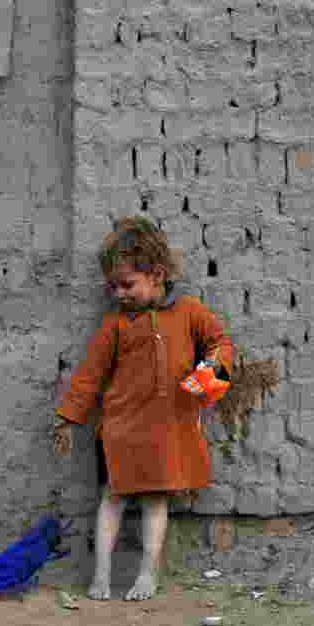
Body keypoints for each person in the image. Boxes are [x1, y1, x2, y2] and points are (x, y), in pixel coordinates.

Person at [51, 216, 233, 601]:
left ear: (158, 274)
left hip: (165, 429)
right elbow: (89, 375)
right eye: (112, 286)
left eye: (127, 284)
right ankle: (100, 576)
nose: (118, 293)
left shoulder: (189, 312)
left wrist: (213, 365)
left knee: (155, 500)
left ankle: (147, 575)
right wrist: (68, 417)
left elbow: (219, 342)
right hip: (120, 431)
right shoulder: (114, 325)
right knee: (112, 498)